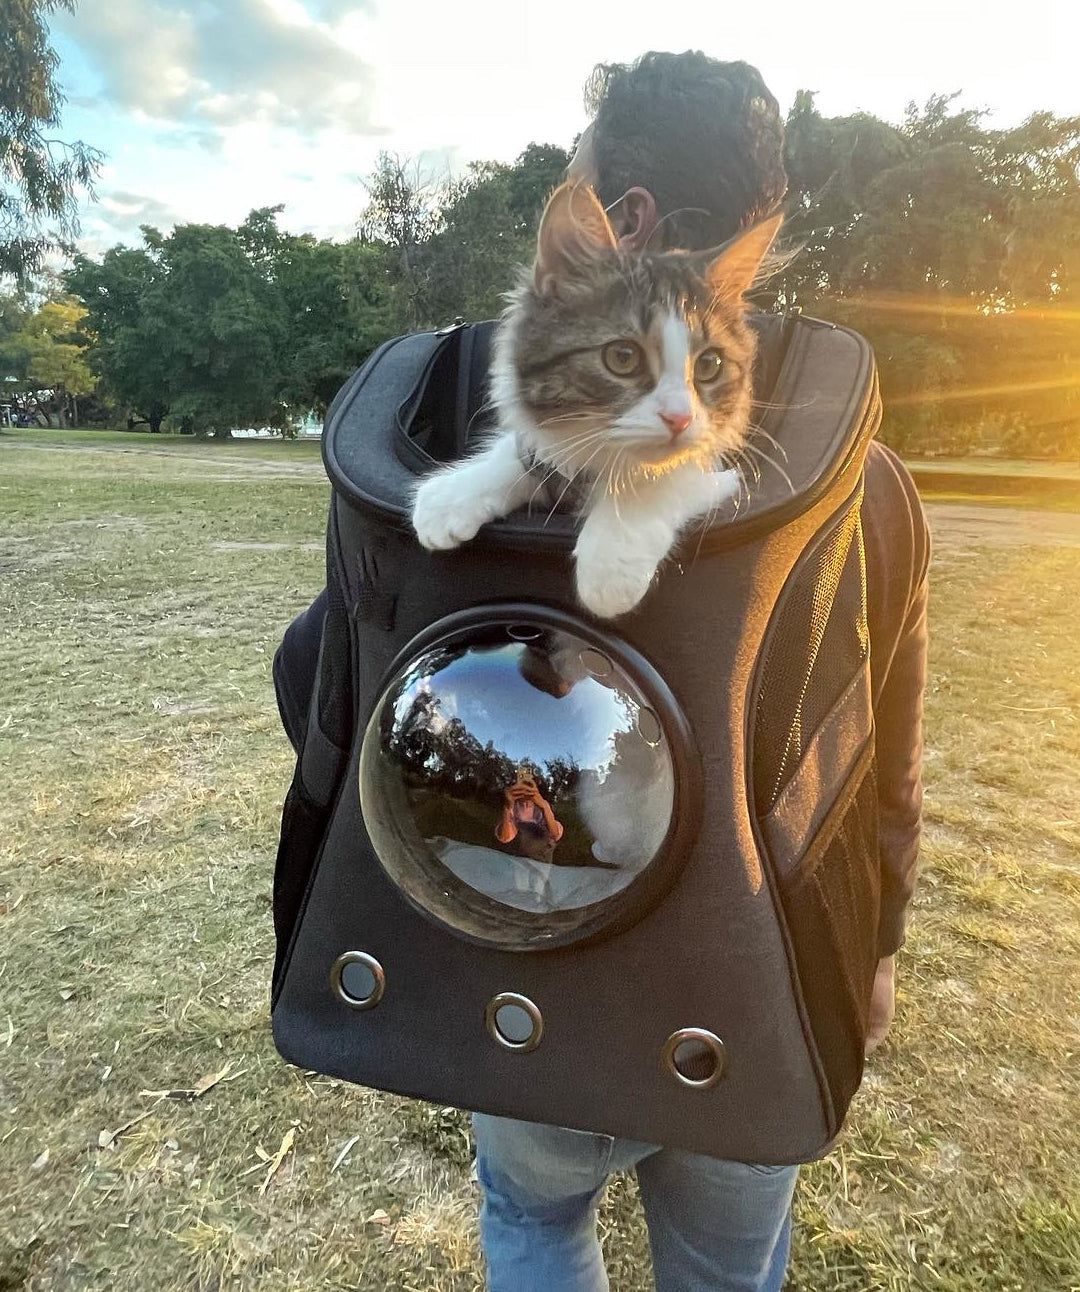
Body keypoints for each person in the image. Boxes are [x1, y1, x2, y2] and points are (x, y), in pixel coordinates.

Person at [471, 51, 930, 1292]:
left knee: (532, 1213)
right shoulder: (862, 471)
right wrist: (875, 947)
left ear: (622, 220)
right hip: (756, 963)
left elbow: (320, 679)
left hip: (540, 953)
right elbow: (885, 743)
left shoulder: (467, 412)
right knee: (730, 1268)